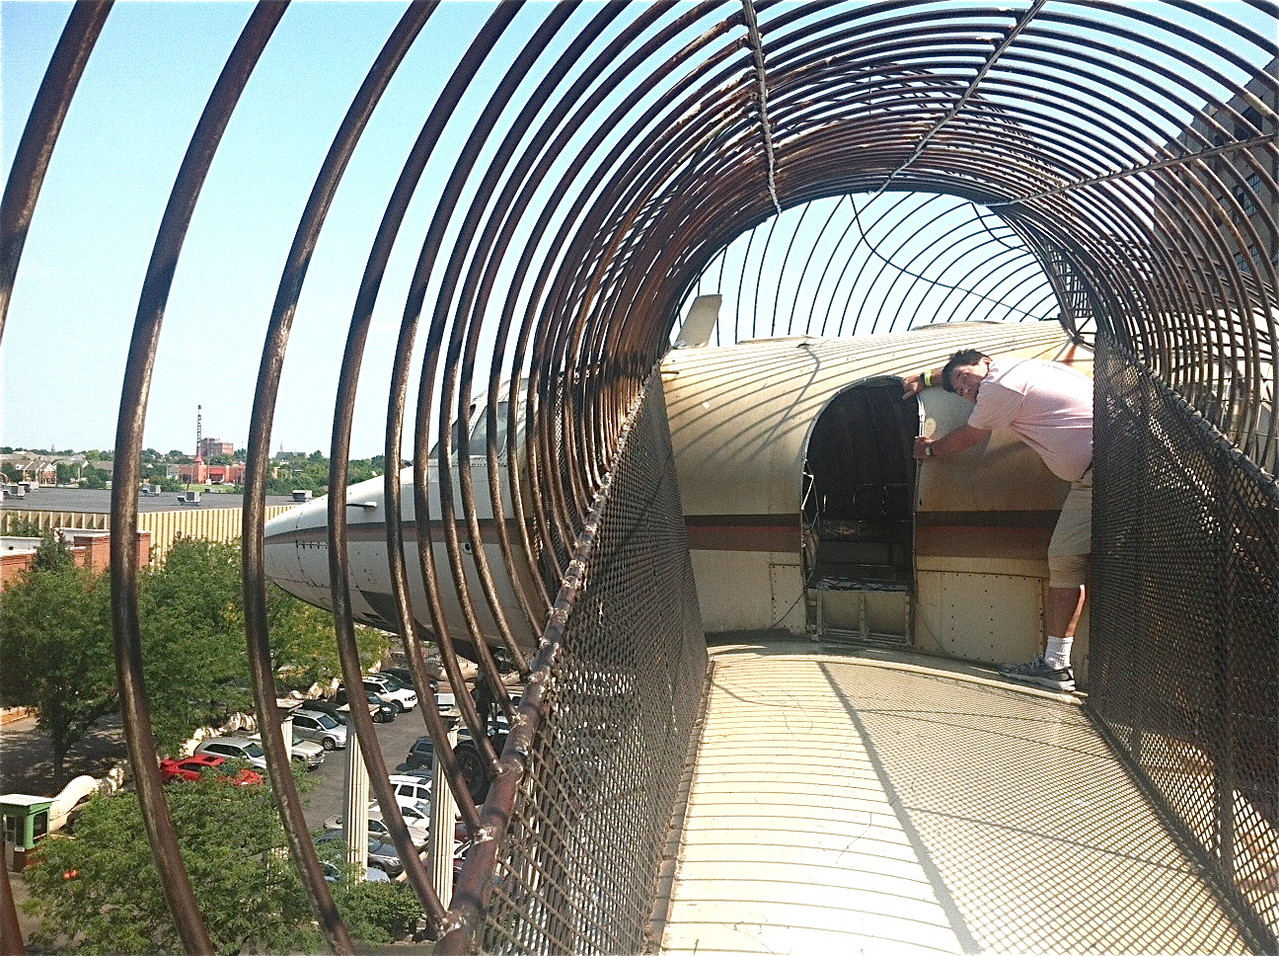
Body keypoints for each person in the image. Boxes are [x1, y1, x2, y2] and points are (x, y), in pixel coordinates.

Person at [902, 349, 1092, 692]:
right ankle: (1055, 664)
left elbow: (968, 436)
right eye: (958, 389)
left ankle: (1055, 665)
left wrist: (929, 450)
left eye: (964, 380)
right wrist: (927, 378)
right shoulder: (1019, 367)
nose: (965, 390)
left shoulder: (999, 385)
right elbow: (960, 373)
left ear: (984, 362)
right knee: (1067, 560)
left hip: (1106, 471)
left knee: (1066, 560)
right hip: (1096, 473)